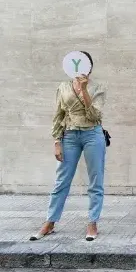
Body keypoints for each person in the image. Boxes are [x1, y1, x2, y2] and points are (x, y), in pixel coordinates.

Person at [30, 51, 106, 241]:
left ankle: (92, 222)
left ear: (90, 66)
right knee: (61, 180)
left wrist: (85, 90)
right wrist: (57, 142)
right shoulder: (63, 86)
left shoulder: (98, 87)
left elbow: (96, 115)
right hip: (69, 135)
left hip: (92, 134)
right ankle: (50, 221)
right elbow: (58, 115)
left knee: (95, 180)